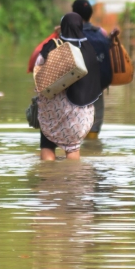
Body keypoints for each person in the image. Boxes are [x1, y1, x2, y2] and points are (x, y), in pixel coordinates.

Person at [35, 13, 102, 161]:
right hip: (78, 112)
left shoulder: (51, 46)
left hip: (51, 109)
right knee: (72, 148)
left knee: (47, 144)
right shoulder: (89, 50)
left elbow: (37, 69)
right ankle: (72, 179)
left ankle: (48, 177)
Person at [71, 0, 118, 139]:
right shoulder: (101, 33)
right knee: (94, 129)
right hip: (97, 86)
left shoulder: (70, 34)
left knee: (73, 132)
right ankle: (93, 149)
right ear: (90, 14)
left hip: (75, 90)